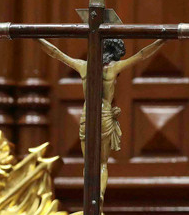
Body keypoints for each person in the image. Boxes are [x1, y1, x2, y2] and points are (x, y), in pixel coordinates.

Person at [37, 38, 165, 198]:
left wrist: (36, 38)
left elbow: (55, 53)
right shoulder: (113, 68)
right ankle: (100, 197)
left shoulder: (83, 66)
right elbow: (141, 55)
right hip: (104, 114)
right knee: (102, 163)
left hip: (87, 113)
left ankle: (89, 197)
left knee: (89, 163)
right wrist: (162, 40)